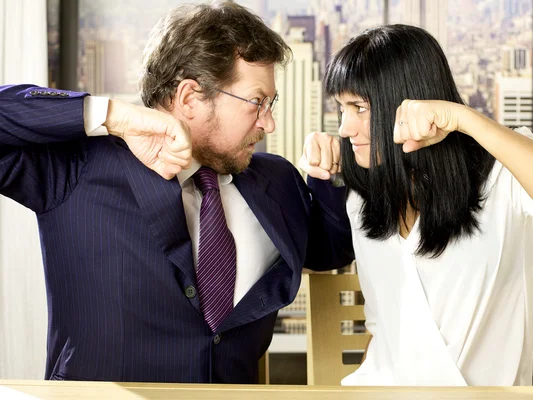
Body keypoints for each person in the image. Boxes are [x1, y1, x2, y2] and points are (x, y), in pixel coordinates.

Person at [0, 2, 352, 383]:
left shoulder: (277, 181)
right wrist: (114, 116)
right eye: (257, 102)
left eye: (271, 103)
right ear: (189, 98)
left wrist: (323, 175)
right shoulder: (79, 167)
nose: (268, 122)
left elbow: (329, 250)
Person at [300, 24, 533, 386]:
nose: (345, 128)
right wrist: (320, 175)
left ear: (408, 101)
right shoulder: (362, 200)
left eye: (359, 107)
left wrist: (464, 118)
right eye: (341, 108)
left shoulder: (502, 175)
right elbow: (383, 335)